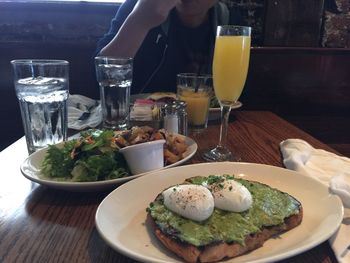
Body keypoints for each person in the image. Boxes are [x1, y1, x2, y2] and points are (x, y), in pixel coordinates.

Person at [96, 0, 242, 94]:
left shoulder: (231, 21)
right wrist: (140, 21)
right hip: (139, 126)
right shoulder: (139, 6)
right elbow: (99, 80)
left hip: (206, 125)